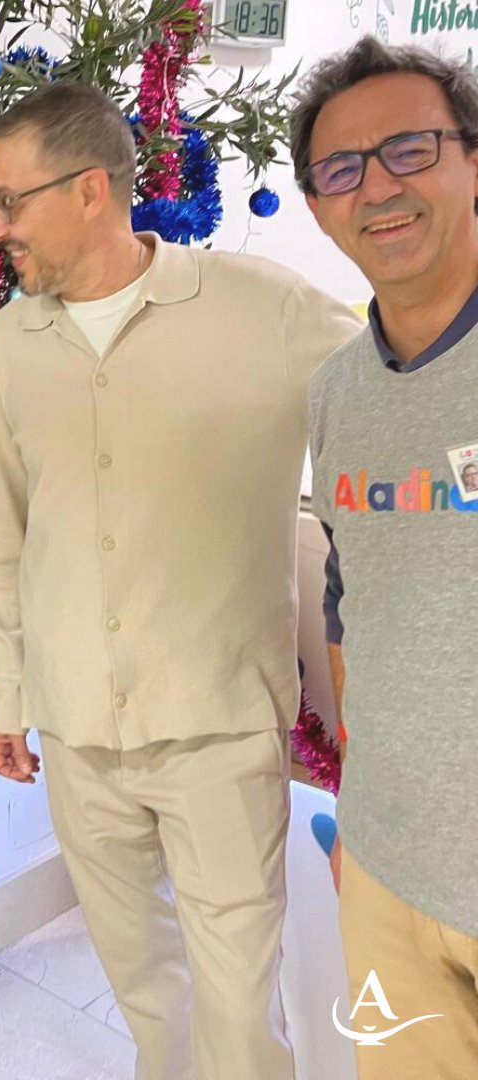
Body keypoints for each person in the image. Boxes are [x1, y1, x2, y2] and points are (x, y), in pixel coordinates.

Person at [0, 82, 361, 1079]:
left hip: (220, 721)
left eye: (10, 201)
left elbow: (401, 383)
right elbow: (7, 533)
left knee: (238, 1005)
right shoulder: (12, 341)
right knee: (146, 987)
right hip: (76, 727)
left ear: (91, 190)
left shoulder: (262, 307)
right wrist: (12, 697)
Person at [292, 36, 478, 1076]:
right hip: (388, 877)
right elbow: (345, 591)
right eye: (342, 169)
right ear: (318, 206)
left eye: (410, 149)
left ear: (473, 159)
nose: (378, 188)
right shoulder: (335, 391)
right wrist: (362, 816)